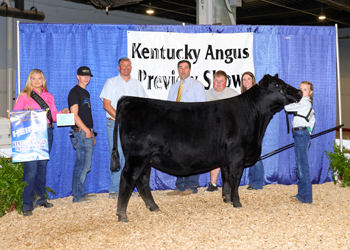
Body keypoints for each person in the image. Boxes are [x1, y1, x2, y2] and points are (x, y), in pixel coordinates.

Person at [13, 69, 69, 216]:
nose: (37, 81)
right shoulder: (24, 96)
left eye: (39, 78)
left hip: (47, 131)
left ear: (43, 80)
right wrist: (27, 111)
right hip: (31, 134)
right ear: (29, 80)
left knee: (42, 167)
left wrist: (61, 113)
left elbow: (53, 117)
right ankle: (26, 204)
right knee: (30, 169)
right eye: (34, 79)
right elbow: (16, 116)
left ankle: (40, 198)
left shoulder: (49, 95)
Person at [99, 57, 147, 199]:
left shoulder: (137, 84)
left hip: (133, 127)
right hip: (115, 124)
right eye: (123, 65)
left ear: (131, 67)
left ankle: (127, 188)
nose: (126, 67)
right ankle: (114, 189)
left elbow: (142, 105)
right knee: (117, 155)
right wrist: (122, 119)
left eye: (128, 65)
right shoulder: (111, 82)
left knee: (130, 157)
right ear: (119, 67)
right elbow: (106, 104)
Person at [167, 60, 206, 196]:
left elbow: (201, 108)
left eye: (186, 68)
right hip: (176, 128)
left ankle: (192, 186)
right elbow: (169, 108)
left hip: (192, 127)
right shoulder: (173, 87)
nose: (183, 70)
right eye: (180, 68)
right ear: (178, 70)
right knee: (178, 157)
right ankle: (180, 186)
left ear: (190, 70)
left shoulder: (197, 85)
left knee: (192, 156)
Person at [205, 70, 239, 192]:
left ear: (226, 82)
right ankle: (213, 185)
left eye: (221, 81)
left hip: (228, 133)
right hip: (211, 132)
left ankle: (229, 184)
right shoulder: (205, 94)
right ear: (212, 81)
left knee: (230, 158)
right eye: (216, 81)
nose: (218, 83)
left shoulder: (233, 94)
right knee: (214, 158)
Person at [68, 66, 96, 203]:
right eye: (83, 75)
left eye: (88, 76)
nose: (86, 78)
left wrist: (91, 133)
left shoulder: (86, 93)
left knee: (85, 164)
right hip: (81, 133)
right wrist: (86, 131)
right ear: (77, 76)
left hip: (86, 132)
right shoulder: (75, 92)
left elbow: (86, 115)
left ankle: (81, 192)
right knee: (82, 165)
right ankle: (78, 196)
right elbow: (74, 115)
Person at [285, 81, 315, 203]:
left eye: (305, 89)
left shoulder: (304, 102)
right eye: (300, 89)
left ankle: (306, 197)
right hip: (300, 134)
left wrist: (287, 97)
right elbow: (313, 120)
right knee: (300, 165)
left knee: (302, 166)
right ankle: (302, 194)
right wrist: (308, 131)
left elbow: (287, 108)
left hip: (301, 134)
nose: (302, 91)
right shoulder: (305, 103)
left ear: (310, 92)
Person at [241, 71, 265, 190]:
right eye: (244, 79)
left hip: (255, 127)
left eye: (248, 79)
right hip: (245, 128)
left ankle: (257, 183)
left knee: (256, 154)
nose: (246, 81)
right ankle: (253, 182)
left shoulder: (257, 94)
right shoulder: (243, 95)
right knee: (249, 154)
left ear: (253, 80)